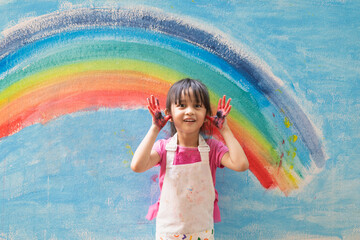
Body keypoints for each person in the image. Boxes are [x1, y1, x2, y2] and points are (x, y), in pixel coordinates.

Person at [131, 78, 249, 240]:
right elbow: (137, 166)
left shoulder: (212, 149)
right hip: (168, 233)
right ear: (169, 114)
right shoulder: (163, 148)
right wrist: (155, 129)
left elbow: (241, 164)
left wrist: (225, 129)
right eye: (181, 105)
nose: (190, 111)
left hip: (202, 232)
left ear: (206, 114)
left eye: (197, 106)